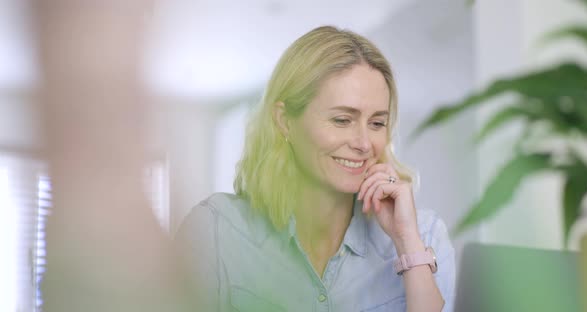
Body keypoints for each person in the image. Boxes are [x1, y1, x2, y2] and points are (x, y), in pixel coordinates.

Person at [175, 25, 455, 312]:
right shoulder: (216, 231)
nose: (363, 143)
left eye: (376, 123)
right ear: (284, 121)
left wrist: (407, 245)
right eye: (342, 120)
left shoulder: (424, 236)